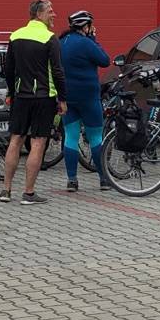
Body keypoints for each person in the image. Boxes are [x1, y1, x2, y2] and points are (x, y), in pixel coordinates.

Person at [0, 0, 67, 204]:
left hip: (21, 96)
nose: (54, 14)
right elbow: (58, 71)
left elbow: (8, 69)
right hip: (43, 97)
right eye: (50, 11)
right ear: (39, 14)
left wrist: (11, 92)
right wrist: (63, 98)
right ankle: (28, 193)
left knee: (15, 140)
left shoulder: (15, 35)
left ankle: (5, 190)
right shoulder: (50, 38)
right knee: (38, 142)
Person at [59, 10, 111, 192]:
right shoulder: (86, 43)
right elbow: (105, 60)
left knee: (71, 137)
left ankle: (72, 180)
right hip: (89, 97)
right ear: (85, 26)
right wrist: (94, 40)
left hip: (67, 97)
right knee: (96, 137)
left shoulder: (61, 42)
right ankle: (104, 179)